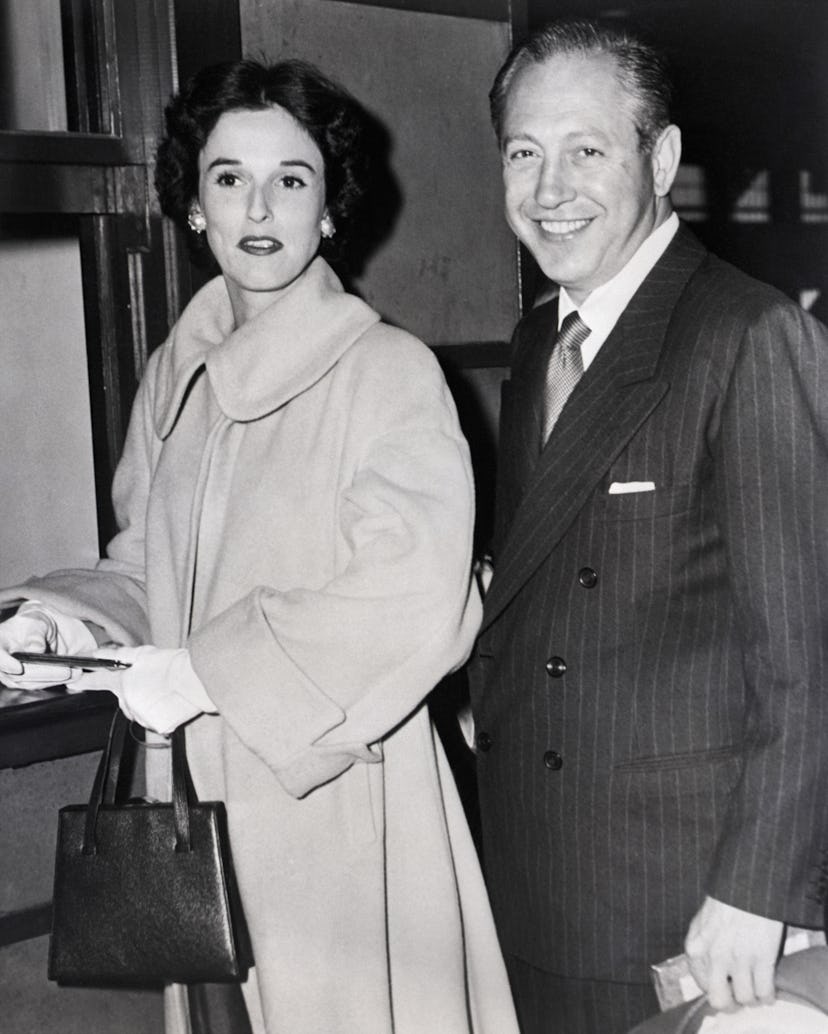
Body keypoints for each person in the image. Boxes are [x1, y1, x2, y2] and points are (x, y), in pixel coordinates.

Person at [0, 59, 519, 1034]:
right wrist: (57, 620)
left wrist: (211, 670)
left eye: (293, 177)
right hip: (199, 801)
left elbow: (418, 593)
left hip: (338, 787)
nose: (259, 205)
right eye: (229, 177)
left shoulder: (386, 371)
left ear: (331, 210)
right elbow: (146, 567)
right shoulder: (175, 378)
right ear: (193, 207)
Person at [468, 17, 828, 1034]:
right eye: (523, 153)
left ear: (660, 158)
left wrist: (760, 891)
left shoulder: (750, 336)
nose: (549, 189)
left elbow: (811, 655)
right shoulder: (540, 335)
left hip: (683, 898)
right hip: (542, 870)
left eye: (587, 150)